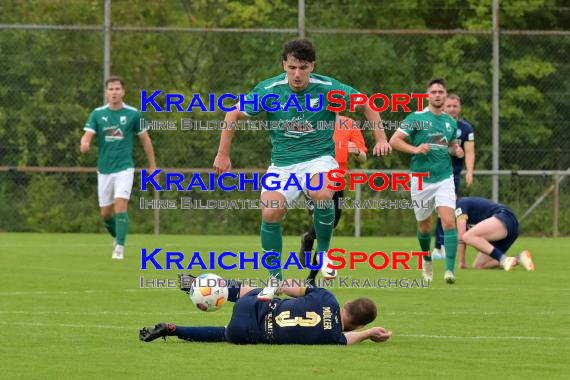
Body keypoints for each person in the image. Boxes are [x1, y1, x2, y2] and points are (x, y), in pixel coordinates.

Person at [213, 39, 391, 300]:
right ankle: (275, 279)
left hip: (319, 159)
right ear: (284, 64)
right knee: (270, 213)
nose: (297, 74)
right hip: (283, 165)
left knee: (321, 193)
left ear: (312, 66)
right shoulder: (269, 89)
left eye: (303, 67)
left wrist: (382, 138)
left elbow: (367, 104)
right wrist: (222, 154)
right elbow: (232, 115)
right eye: (292, 67)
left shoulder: (328, 88)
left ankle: (326, 253)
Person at [139, 274, 392, 345]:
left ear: (346, 304)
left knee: (252, 291)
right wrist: (369, 335)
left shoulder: (327, 297)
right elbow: (349, 338)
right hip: (248, 331)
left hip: (258, 305)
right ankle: (173, 329)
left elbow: (292, 287)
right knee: (222, 334)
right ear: (359, 325)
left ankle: (209, 286)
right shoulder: (334, 337)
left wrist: (276, 287)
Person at [389, 78, 464, 284]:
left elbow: (450, 145)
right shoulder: (416, 118)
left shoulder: (451, 121)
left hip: (444, 177)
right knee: (424, 226)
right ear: (427, 95)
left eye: (441, 92)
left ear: (446, 95)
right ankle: (426, 258)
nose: (438, 95)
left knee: (449, 221)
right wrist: (415, 149)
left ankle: (449, 270)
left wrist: (456, 149)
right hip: (421, 178)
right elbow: (394, 140)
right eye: (434, 92)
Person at [80, 76, 156, 260]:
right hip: (104, 169)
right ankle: (117, 237)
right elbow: (88, 134)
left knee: (120, 204)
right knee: (106, 213)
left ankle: (119, 248)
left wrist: (152, 166)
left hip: (124, 168)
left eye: (117, 89)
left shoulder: (133, 114)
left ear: (123, 91)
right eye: (111, 89)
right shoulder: (97, 114)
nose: (114, 92)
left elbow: (145, 139)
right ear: (106, 92)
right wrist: (85, 143)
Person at [299, 114, 368, 283]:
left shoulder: (349, 124)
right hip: (315, 178)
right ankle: (311, 276)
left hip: (337, 181)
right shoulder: (310, 121)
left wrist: (357, 152)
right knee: (323, 224)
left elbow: (363, 156)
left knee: (329, 227)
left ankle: (309, 240)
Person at [433, 94, 475, 262]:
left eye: (454, 106)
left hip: (452, 175)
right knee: (438, 210)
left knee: (446, 209)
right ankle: (439, 246)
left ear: (459, 108)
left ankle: (440, 246)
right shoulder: (437, 124)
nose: (451, 109)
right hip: (434, 172)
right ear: (443, 107)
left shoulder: (466, 129)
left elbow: (470, 151)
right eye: (448, 106)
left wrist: (470, 171)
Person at [456, 196, 535, 271]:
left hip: (505, 217)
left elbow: (462, 236)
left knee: (467, 236)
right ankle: (519, 259)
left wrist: (461, 262)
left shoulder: (460, 204)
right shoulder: (458, 210)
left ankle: (504, 260)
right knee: (479, 265)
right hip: (509, 228)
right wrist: (462, 263)